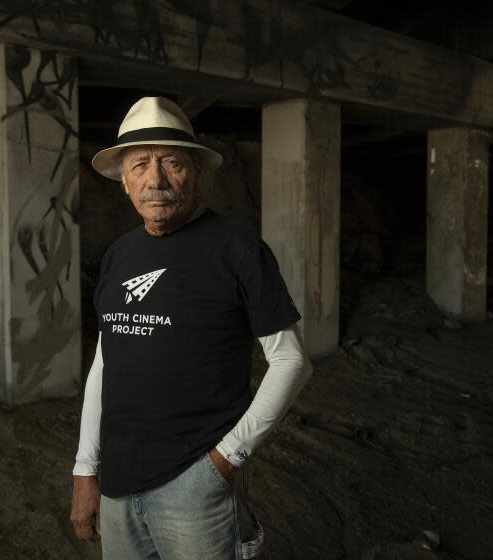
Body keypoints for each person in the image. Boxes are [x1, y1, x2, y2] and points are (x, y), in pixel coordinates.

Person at [69, 96, 313, 559]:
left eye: (172, 163)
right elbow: (106, 360)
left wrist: (225, 461)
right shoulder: (119, 255)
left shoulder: (237, 250)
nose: (155, 179)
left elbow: (292, 360)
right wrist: (86, 468)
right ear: (124, 181)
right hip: (116, 484)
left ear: (196, 172)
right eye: (140, 165)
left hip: (195, 486)